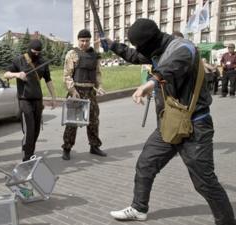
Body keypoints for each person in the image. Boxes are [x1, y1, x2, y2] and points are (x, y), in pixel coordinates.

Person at [105, 19, 236, 225]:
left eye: (140, 46)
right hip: (169, 124)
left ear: (150, 41)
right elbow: (134, 56)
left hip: (195, 126)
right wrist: (112, 45)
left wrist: (151, 83)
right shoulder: (157, 48)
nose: (140, 50)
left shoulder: (183, 47)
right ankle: (139, 208)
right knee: (146, 164)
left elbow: (172, 66)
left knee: (204, 182)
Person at [4, 39, 58, 161]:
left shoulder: (43, 62)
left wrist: (54, 98)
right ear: (29, 50)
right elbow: (6, 74)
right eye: (34, 52)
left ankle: (28, 150)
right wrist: (17, 75)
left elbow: (48, 80)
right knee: (30, 129)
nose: (36, 55)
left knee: (37, 130)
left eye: (39, 52)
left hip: (38, 100)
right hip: (25, 99)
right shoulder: (19, 60)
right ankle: (27, 157)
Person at [61, 29, 107, 160]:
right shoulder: (72, 54)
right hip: (77, 91)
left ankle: (94, 146)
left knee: (94, 120)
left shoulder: (95, 54)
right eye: (82, 41)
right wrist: (72, 90)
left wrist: (99, 87)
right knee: (72, 122)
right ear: (78, 40)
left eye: (87, 40)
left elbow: (98, 73)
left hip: (90, 91)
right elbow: (67, 75)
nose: (85, 43)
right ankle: (67, 148)